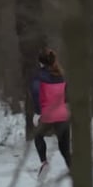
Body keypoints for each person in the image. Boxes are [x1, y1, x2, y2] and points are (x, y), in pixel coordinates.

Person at [31, 48, 71, 179]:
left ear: (40, 62)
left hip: (47, 114)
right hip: (63, 114)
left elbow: (36, 94)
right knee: (64, 145)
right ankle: (73, 168)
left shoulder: (38, 76)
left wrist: (37, 113)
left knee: (38, 136)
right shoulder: (61, 75)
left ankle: (44, 162)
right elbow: (67, 95)